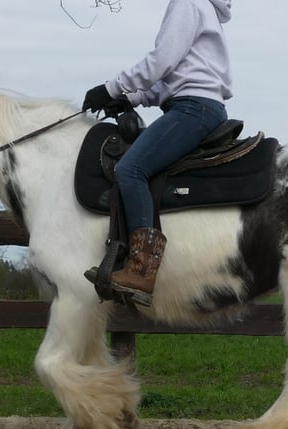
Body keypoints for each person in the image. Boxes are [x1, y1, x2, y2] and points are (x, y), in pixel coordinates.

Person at [82, 0, 233, 306]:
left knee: (130, 169)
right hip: (198, 105)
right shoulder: (202, 6)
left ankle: (140, 271)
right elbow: (174, 75)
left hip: (192, 108)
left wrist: (111, 88)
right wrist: (130, 98)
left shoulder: (187, 3)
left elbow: (162, 60)